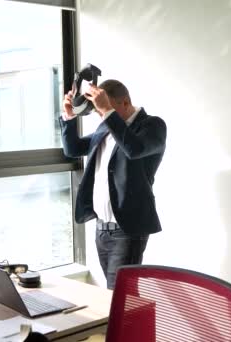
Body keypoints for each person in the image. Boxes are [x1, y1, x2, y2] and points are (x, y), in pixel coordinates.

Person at [59, 79, 166, 289]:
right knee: (116, 297)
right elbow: (73, 149)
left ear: (125, 102)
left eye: (105, 110)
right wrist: (69, 117)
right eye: (99, 112)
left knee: (116, 296)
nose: (102, 115)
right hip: (101, 229)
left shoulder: (152, 125)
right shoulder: (106, 127)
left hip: (127, 229)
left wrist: (107, 110)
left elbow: (134, 149)